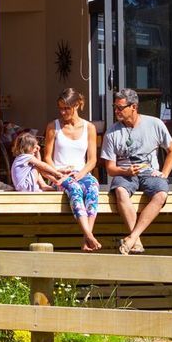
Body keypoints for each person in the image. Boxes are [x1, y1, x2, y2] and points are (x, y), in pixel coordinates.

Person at [101, 88, 172, 255]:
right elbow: (110, 168)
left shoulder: (155, 124)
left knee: (161, 194)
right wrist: (126, 171)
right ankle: (136, 241)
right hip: (125, 173)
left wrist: (164, 173)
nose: (116, 111)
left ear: (134, 107)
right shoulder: (112, 132)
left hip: (150, 172)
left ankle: (132, 237)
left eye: (120, 107)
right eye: (115, 107)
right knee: (120, 191)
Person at [44, 88, 102, 252]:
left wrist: (80, 174)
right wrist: (57, 173)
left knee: (92, 187)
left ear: (77, 105)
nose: (63, 112)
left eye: (66, 108)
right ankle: (90, 236)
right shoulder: (53, 127)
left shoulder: (89, 128)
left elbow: (92, 160)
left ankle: (86, 236)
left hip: (80, 173)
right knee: (75, 189)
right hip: (59, 175)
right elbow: (47, 157)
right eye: (60, 108)